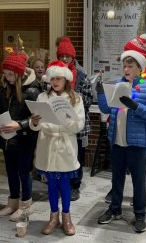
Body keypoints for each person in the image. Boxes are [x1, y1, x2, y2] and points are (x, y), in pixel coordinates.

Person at [96, 37, 146, 233]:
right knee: (116, 178)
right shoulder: (118, 84)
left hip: (137, 144)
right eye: (124, 65)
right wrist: (101, 93)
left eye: (130, 65)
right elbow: (106, 108)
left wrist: (135, 106)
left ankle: (140, 214)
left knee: (138, 180)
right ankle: (114, 209)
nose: (126, 68)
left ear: (139, 66)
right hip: (117, 141)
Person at [30, 60, 85, 236]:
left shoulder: (75, 98)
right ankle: (54, 217)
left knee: (64, 182)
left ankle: (66, 217)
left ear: (66, 79)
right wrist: (35, 122)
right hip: (47, 143)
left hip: (65, 145)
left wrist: (65, 120)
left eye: (58, 78)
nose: (55, 82)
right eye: (52, 78)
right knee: (51, 183)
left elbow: (79, 125)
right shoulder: (42, 97)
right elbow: (35, 124)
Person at [0, 52, 41, 221]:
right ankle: (12, 203)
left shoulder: (33, 90)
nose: (7, 77)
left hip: (25, 139)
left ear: (19, 74)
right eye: (5, 73)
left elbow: (37, 117)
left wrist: (19, 125)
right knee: (11, 172)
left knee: (23, 173)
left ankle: (25, 205)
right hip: (6, 138)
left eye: (11, 74)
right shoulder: (4, 87)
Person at [56, 36, 93, 201]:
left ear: (73, 56)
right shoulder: (54, 72)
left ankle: (75, 185)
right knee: (62, 153)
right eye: (61, 56)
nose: (64, 59)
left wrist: (72, 99)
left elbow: (88, 98)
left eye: (67, 56)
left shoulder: (81, 74)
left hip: (76, 122)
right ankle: (62, 184)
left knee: (76, 154)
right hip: (58, 123)